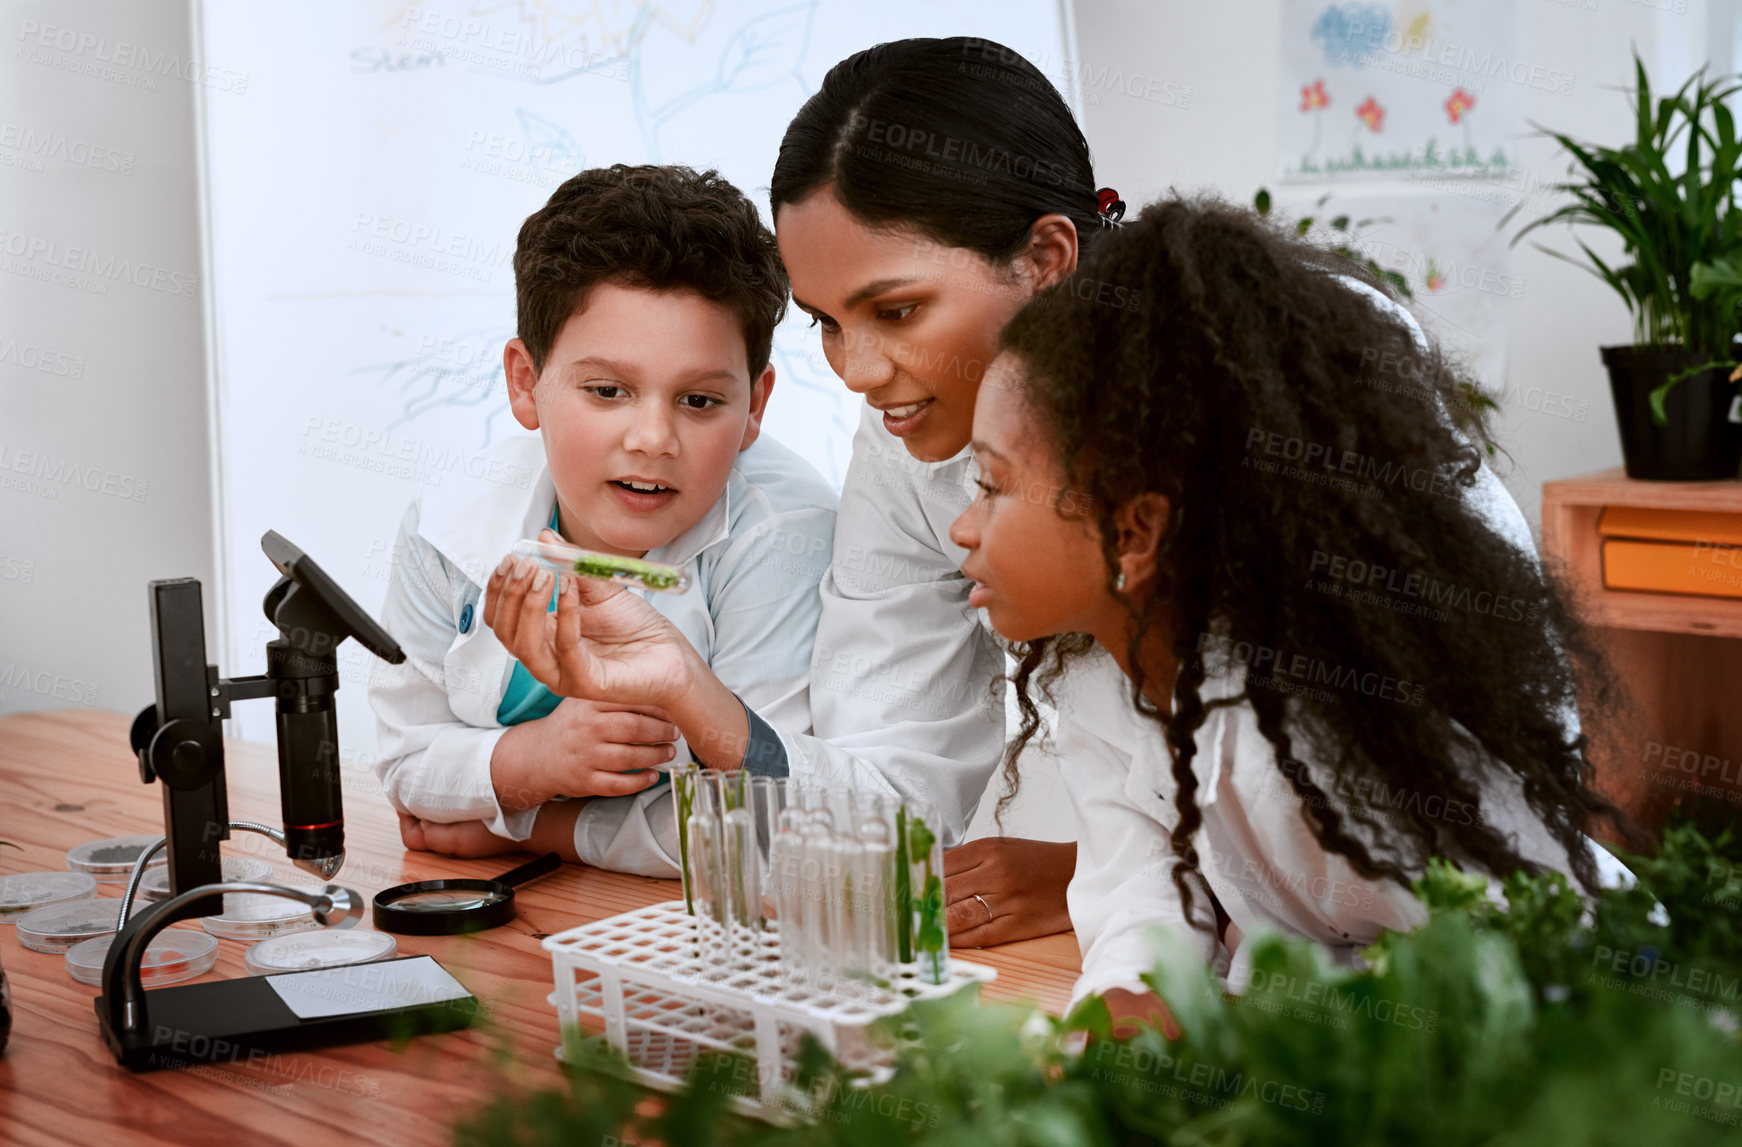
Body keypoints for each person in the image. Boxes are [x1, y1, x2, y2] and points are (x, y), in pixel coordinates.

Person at [945, 196, 1636, 1033]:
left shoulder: (1329, 732)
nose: (962, 525)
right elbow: (1138, 887)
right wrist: (1122, 1003)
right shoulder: (1097, 677)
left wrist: (1251, 1023)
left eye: (989, 483)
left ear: (1133, 532)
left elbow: (1504, 962)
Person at [490, 37, 1112, 945]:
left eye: (896, 311)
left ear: (1046, 258)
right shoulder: (905, 448)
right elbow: (882, 825)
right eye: (827, 321)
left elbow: (1359, 812)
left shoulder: (1281, 402)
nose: (857, 372)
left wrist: (1085, 875)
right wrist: (686, 691)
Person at [367, 164, 836, 874]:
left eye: (700, 401)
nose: (653, 438)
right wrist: (531, 760)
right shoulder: (448, 528)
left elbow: (774, 825)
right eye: (608, 390)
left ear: (756, 407)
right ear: (526, 383)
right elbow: (406, 761)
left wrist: (530, 826)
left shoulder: (787, 534)